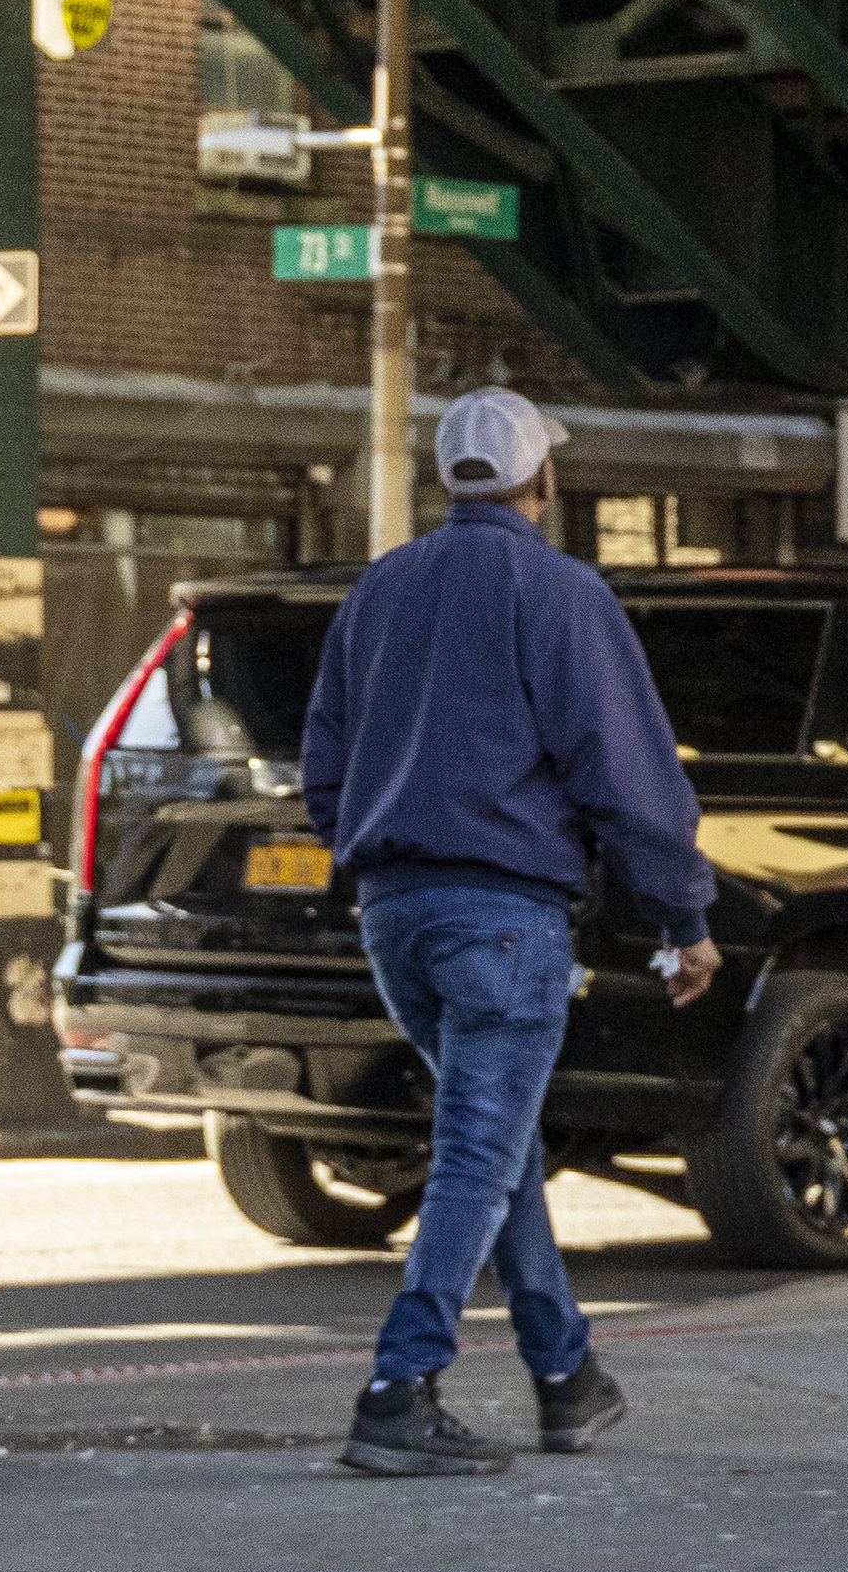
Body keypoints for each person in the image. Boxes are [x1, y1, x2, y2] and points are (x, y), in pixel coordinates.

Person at [292, 386, 720, 1470]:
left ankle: (566, 1373)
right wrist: (683, 918)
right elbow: (628, 775)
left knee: (501, 1142)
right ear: (546, 482)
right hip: (506, 915)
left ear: (451, 481)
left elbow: (325, 767)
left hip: (396, 914)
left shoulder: (379, 591)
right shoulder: (562, 592)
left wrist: (375, 847)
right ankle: (400, 1387)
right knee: (480, 1149)